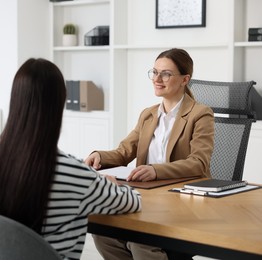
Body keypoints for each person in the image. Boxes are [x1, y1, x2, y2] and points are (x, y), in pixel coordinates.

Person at [0, 58, 142, 260]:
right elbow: (133, 202)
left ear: (15, 99)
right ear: (58, 105)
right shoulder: (74, 173)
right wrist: (110, 183)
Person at [84, 48, 214, 260]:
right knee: (103, 233)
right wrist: (100, 156)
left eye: (165, 74)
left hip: (181, 201)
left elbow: (198, 163)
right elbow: (125, 151)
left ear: (184, 79)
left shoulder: (200, 114)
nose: (157, 79)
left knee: (140, 239)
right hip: (146, 197)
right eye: (154, 72)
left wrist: (155, 170)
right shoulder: (148, 114)